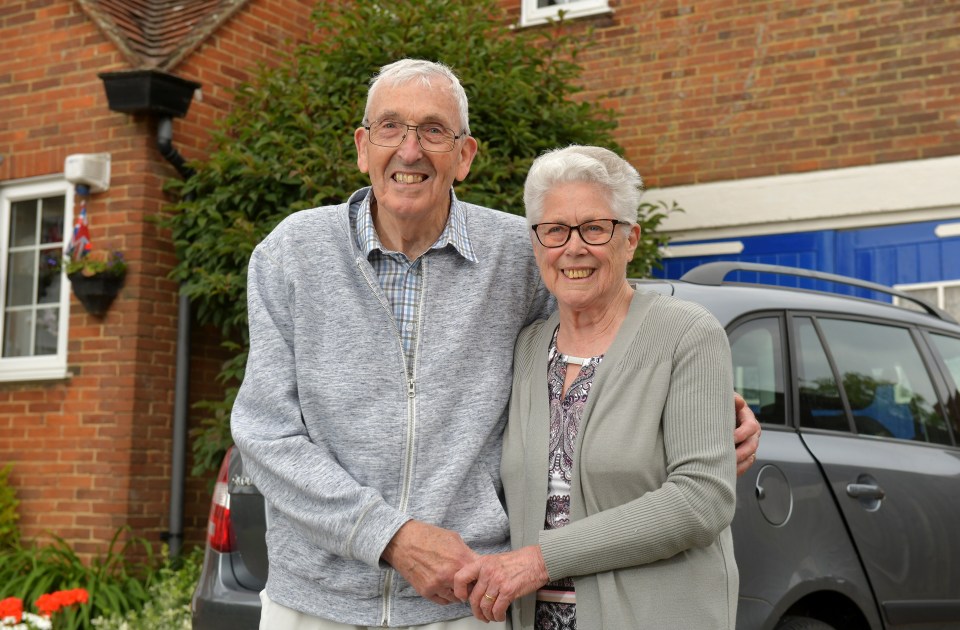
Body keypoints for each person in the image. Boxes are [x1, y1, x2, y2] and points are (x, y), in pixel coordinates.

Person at [231, 59, 759, 629]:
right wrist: (392, 538)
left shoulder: (519, 253)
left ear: (465, 156)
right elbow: (266, 432)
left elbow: (607, 309)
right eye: (390, 128)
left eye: (434, 130)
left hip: (466, 603)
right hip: (312, 604)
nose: (410, 150)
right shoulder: (292, 254)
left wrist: (708, 407)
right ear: (363, 146)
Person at [453, 146, 739, 629]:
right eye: (555, 230)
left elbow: (701, 499)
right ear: (537, 242)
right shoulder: (528, 348)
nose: (573, 247)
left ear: (630, 239)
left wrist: (542, 560)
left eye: (595, 228)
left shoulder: (688, 334)